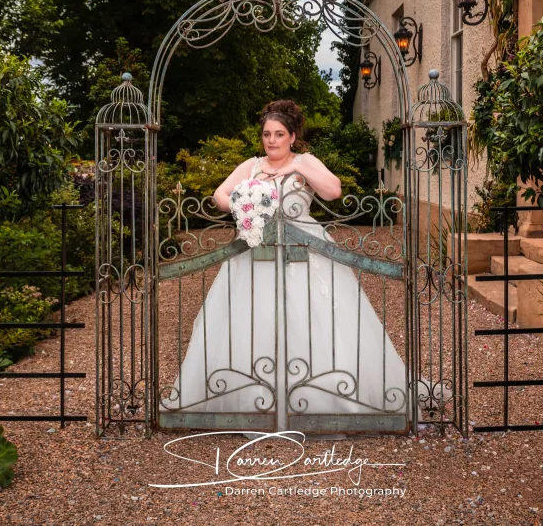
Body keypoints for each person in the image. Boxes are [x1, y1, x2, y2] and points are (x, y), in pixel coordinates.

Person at [159, 100, 425, 435]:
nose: (271, 140)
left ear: (292, 136)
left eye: (279, 134)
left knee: (312, 320)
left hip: (305, 250)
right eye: (267, 134)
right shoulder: (252, 166)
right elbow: (219, 195)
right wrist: (244, 202)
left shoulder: (305, 161)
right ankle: (254, 401)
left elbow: (333, 190)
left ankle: (322, 401)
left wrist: (294, 171)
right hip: (257, 253)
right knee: (253, 322)